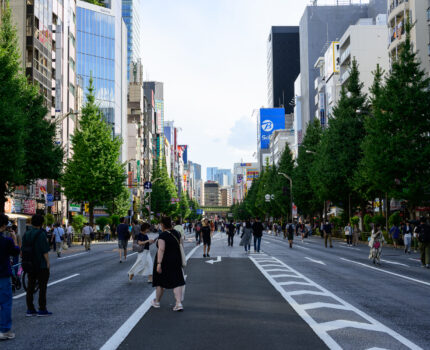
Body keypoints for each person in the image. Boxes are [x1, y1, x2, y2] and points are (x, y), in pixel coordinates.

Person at [151, 217, 185, 311]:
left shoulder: (162, 235)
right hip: (176, 260)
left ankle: (157, 302)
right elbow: (181, 244)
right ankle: (178, 303)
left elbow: (161, 249)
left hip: (164, 261)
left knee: (160, 282)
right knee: (177, 281)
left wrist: (159, 263)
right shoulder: (177, 233)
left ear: (162, 225)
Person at [22, 214, 51, 317]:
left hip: (30, 264)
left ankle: (30, 309)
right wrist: (48, 262)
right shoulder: (41, 234)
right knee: (42, 287)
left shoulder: (26, 234)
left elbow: (22, 249)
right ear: (41, 223)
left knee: (30, 287)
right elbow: (45, 251)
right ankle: (42, 309)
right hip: (41, 264)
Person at [0, 214, 20, 340]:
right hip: (2, 275)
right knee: (5, 303)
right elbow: (16, 251)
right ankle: (4, 330)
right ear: (3, 226)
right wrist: (14, 239)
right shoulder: (6, 241)